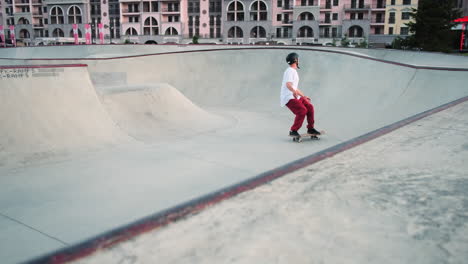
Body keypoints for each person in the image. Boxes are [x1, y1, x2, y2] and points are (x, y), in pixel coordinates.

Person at [280, 52, 321, 137]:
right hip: (288, 97)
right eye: (298, 59)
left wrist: (303, 96)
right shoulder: (290, 71)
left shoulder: (293, 71)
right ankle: (293, 130)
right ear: (295, 60)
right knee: (302, 111)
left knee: (310, 107)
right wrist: (294, 92)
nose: (299, 61)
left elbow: (295, 87)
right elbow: (288, 85)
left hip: (295, 96)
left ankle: (310, 129)